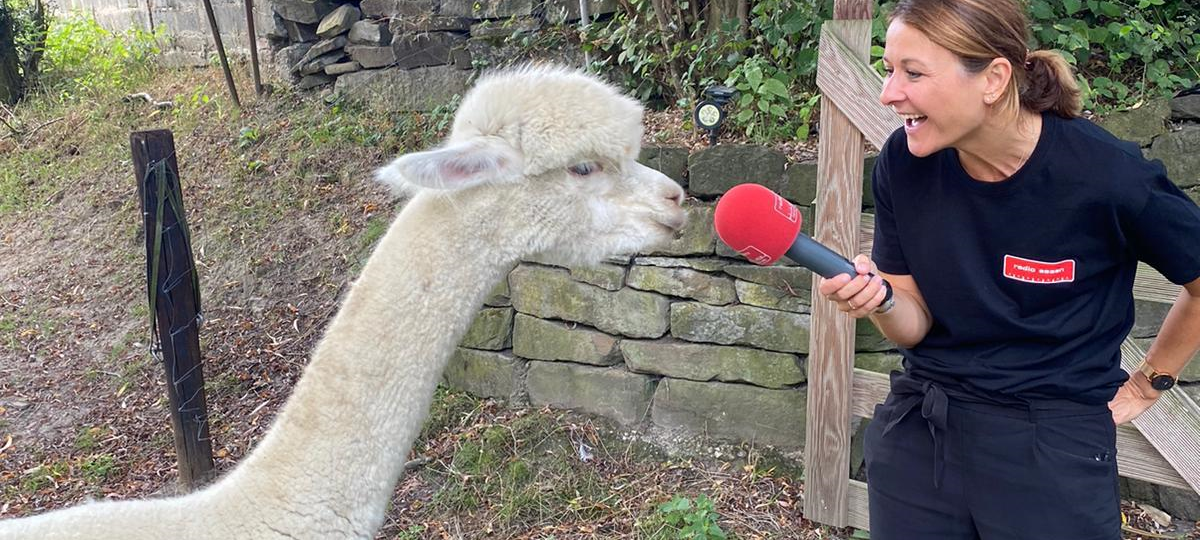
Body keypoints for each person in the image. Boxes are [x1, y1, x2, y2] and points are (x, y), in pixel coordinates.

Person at [816, 1, 1200, 539]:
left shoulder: (1107, 176)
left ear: (994, 78)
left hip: (1050, 448)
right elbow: (915, 321)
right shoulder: (905, 163)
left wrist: (1150, 381)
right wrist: (879, 300)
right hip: (922, 432)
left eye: (913, 72)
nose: (888, 93)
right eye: (887, 69)